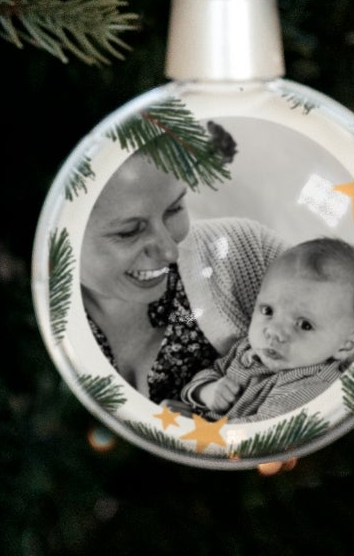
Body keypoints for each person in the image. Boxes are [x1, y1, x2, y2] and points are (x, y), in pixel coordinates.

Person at [79, 123, 237, 400]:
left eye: (174, 209)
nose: (170, 253)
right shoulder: (35, 328)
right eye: (130, 232)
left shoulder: (222, 286)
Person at [172, 238, 354, 420]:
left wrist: (190, 429)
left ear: (346, 346)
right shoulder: (249, 349)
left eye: (304, 325)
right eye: (268, 310)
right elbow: (213, 371)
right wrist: (205, 391)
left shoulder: (310, 385)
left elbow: (259, 436)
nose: (274, 332)